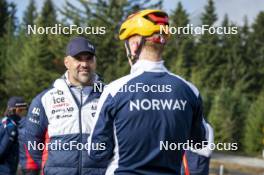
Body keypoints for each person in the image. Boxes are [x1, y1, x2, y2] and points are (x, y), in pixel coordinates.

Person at [88, 9, 212, 175]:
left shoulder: (114, 90)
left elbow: (96, 152)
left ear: (134, 45)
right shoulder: (189, 91)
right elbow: (200, 143)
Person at [22, 36, 107, 175]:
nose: (84, 64)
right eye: (79, 58)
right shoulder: (46, 98)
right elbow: (32, 140)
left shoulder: (110, 96)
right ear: (67, 62)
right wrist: (49, 169)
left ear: (95, 62)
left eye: (89, 59)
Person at [0, 96, 28, 175]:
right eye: (23, 110)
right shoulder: (11, 127)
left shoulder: (3, 121)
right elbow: (2, 151)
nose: (24, 113)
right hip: (5, 170)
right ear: (18, 110)